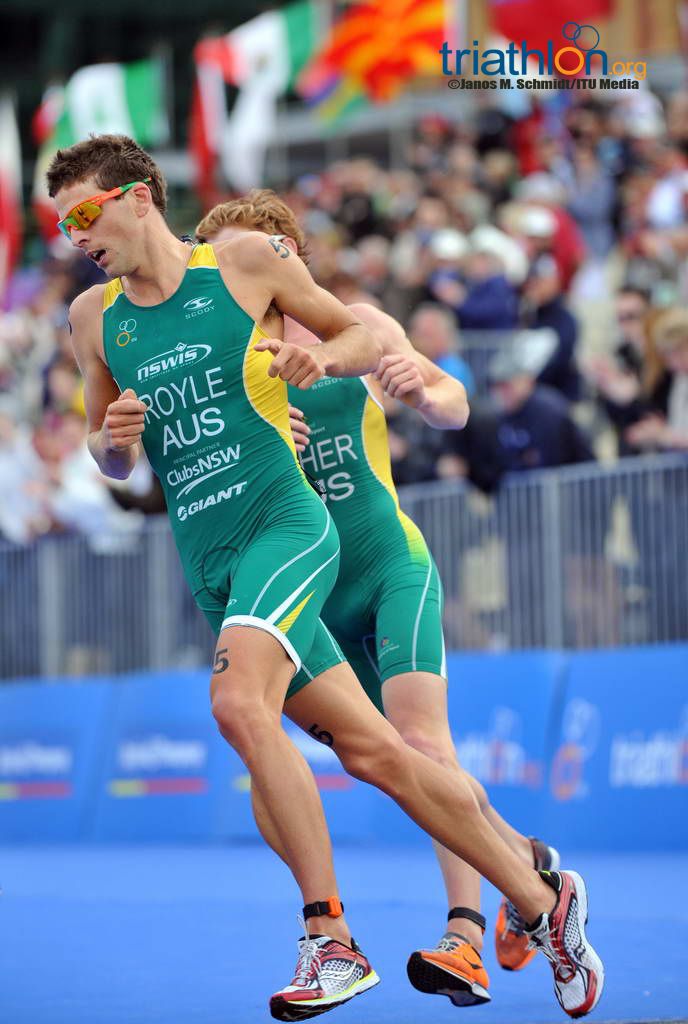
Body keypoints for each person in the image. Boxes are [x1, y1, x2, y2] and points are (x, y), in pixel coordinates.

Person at [48, 135, 603, 1022]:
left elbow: (358, 335)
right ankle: (544, 903)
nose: (74, 234)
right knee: (373, 752)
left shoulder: (237, 266)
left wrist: (347, 368)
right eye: (61, 221)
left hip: (293, 531)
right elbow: (109, 460)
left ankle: (336, 940)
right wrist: (111, 444)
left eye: (85, 212)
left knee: (245, 709)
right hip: (213, 563)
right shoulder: (90, 318)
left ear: (141, 196)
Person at [197, 192, 602, 1007]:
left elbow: (455, 406)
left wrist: (422, 386)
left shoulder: (353, 321)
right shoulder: (225, 357)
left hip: (388, 564)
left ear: (286, 251)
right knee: (374, 766)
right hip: (307, 592)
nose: (237, 272)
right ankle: (532, 868)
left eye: (250, 251)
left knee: (420, 740)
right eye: (218, 259)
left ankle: (464, 936)